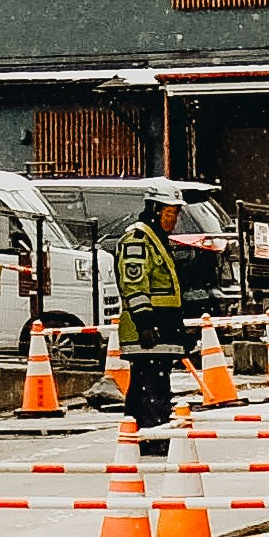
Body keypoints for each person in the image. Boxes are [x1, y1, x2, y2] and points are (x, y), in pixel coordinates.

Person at [112, 192, 190, 459]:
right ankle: (154, 436)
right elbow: (134, 283)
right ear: (156, 210)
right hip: (146, 328)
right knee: (154, 385)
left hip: (162, 327)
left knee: (144, 384)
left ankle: (136, 433)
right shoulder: (138, 239)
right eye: (170, 212)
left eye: (176, 213)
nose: (174, 219)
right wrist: (145, 321)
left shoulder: (156, 239)